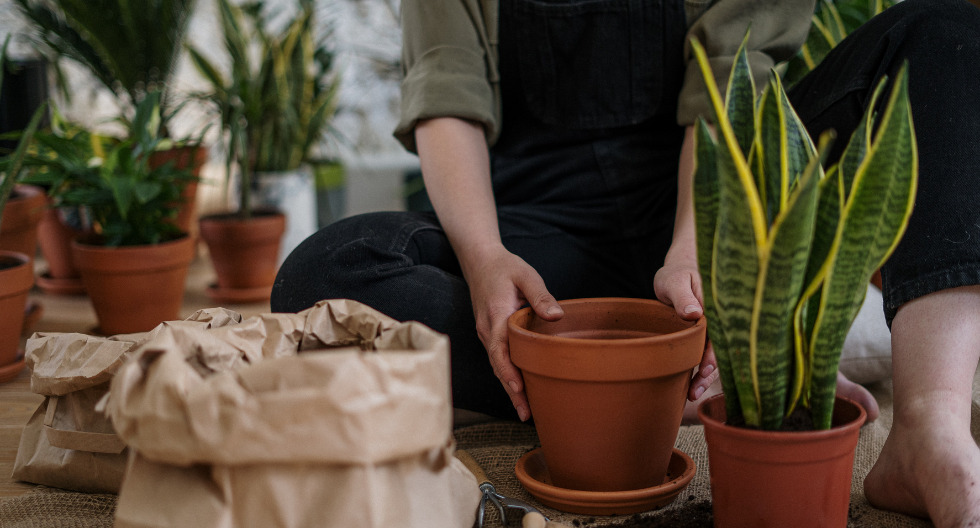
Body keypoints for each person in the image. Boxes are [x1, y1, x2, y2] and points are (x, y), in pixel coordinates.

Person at [272, 0, 980, 526]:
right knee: (325, 273)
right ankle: (659, 381)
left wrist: (694, 251)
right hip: (537, 244)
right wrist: (485, 258)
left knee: (942, 32)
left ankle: (929, 427)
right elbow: (447, 92)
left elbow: (733, 82)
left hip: (717, 202)